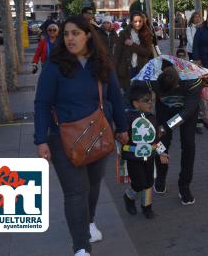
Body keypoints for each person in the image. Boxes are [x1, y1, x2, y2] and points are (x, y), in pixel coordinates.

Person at [34, 15, 127, 256]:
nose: (69, 38)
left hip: (98, 134)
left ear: (88, 35)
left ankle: (89, 221)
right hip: (64, 139)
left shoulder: (102, 63)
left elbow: (115, 96)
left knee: (93, 185)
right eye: (66, 34)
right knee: (76, 191)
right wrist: (41, 140)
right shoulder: (54, 66)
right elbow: (42, 103)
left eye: (75, 33)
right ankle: (81, 247)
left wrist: (123, 127)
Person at [146, 61, 202, 205]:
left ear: (177, 85)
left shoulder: (193, 79)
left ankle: (184, 186)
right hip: (164, 110)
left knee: (188, 144)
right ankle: (161, 175)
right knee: (160, 142)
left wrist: (168, 126)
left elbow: (188, 111)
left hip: (187, 111)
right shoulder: (152, 78)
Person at [120, 83, 168, 219]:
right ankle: (129, 196)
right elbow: (120, 134)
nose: (150, 103)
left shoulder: (152, 118)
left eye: (151, 100)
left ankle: (147, 208)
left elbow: (155, 139)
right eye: (146, 101)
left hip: (149, 156)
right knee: (139, 183)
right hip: (133, 157)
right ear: (136, 103)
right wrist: (120, 135)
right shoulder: (127, 117)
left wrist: (162, 152)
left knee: (148, 183)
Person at [114, 11, 154, 92]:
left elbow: (147, 52)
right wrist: (115, 69)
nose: (138, 24)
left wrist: (132, 44)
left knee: (141, 93)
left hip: (141, 68)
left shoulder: (147, 33)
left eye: (140, 21)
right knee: (129, 94)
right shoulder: (124, 34)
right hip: (127, 68)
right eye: (135, 21)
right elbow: (117, 53)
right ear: (131, 22)